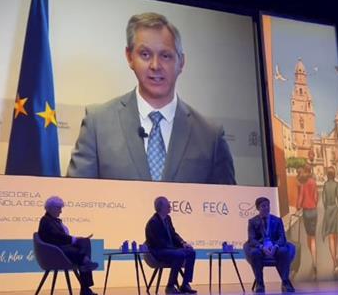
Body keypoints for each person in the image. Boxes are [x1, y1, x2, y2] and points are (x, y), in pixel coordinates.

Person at [66, 12, 236, 185]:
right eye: (145, 55)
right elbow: (76, 200)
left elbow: (225, 206)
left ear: (181, 62)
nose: (155, 66)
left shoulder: (210, 136)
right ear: (129, 57)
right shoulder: (97, 123)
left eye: (165, 56)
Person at [38, 196, 99, 295]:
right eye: (59, 208)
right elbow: (56, 236)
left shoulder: (54, 221)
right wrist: (73, 240)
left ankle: (85, 261)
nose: (61, 211)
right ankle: (86, 266)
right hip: (56, 252)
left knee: (85, 241)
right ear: (51, 208)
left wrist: (75, 240)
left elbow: (61, 236)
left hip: (63, 249)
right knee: (82, 247)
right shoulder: (46, 220)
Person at [145, 196, 197, 294]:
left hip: (169, 249)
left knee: (191, 252)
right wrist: (176, 249)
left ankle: (185, 284)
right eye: (168, 205)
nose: (170, 206)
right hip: (158, 252)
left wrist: (183, 243)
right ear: (161, 207)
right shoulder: (153, 222)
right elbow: (158, 243)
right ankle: (170, 286)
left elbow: (173, 234)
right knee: (179, 254)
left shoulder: (167, 219)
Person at [243, 197, 295, 293]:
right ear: (258, 208)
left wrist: (275, 246)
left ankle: (285, 282)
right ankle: (260, 284)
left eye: (268, 206)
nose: (266, 208)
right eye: (263, 206)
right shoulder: (253, 221)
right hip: (261, 247)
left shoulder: (277, 220)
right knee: (255, 253)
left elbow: (282, 237)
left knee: (283, 251)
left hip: (275, 246)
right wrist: (261, 247)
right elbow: (252, 239)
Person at [321, 167, 338, 277]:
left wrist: (327, 208)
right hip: (335, 210)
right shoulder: (336, 185)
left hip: (328, 211)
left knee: (331, 236)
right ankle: (336, 257)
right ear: (334, 174)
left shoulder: (325, 185)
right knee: (335, 234)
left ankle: (335, 262)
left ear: (327, 174)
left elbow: (323, 199)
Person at [296, 164, 318, 279]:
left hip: (306, 212)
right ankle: (314, 260)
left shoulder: (304, 183)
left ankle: (312, 257)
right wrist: (314, 204)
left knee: (309, 236)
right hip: (314, 211)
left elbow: (300, 197)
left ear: (305, 171)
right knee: (313, 236)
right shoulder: (314, 183)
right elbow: (316, 197)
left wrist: (298, 207)